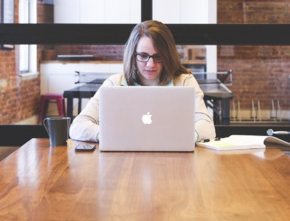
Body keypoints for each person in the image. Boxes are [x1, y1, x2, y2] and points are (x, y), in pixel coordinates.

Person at [69, 20, 216, 142]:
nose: (150, 64)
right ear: (133, 55)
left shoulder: (185, 82)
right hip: (123, 161)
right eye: (143, 55)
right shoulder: (114, 84)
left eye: (158, 57)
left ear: (168, 55)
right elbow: (77, 127)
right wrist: (108, 135)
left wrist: (182, 138)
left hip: (173, 161)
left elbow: (207, 128)